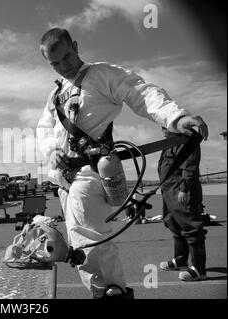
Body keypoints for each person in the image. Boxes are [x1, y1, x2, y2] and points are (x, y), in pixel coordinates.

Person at [36, 28, 208, 299]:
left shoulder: (102, 75)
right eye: (54, 63)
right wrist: (51, 151)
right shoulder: (56, 94)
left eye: (66, 58)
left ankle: (111, 290)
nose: (63, 67)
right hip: (63, 179)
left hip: (90, 172)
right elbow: (44, 129)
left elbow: (141, 92)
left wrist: (176, 118)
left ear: (76, 47)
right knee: (84, 241)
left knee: (89, 240)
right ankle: (108, 291)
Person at [158, 127, 207, 281]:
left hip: (180, 189)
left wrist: (184, 189)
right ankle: (180, 260)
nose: (162, 129)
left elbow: (190, 166)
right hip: (169, 189)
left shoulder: (187, 139)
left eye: (165, 126)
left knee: (191, 227)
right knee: (173, 223)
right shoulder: (169, 142)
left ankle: (199, 269)